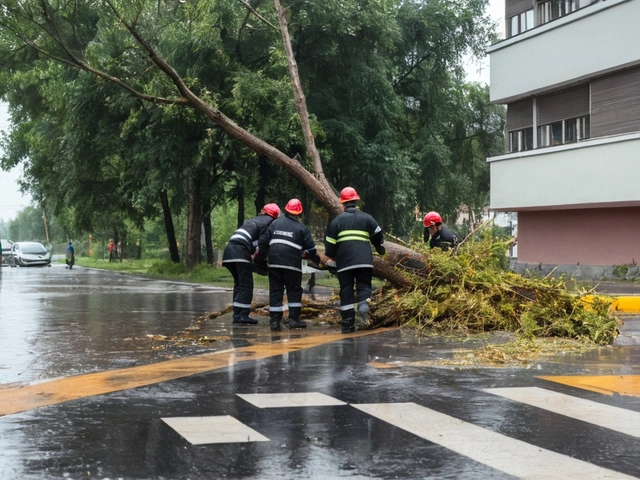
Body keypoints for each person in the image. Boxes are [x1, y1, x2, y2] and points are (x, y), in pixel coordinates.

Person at [324, 187, 385, 334]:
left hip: (344, 263)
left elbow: (329, 245)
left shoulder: (336, 222)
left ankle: (347, 324)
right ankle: (364, 305)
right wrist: (378, 246)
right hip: (364, 261)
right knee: (364, 286)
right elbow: (378, 234)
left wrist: (332, 258)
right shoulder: (367, 218)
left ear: (342, 203)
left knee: (346, 290)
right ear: (356, 201)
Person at [257, 198, 320, 331]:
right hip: (292, 266)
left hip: (274, 264)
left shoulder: (274, 224)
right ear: (299, 213)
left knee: (276, 291)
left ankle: (274, 320)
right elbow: (312, 250)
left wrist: (262, 258)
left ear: (286, 210)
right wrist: (311, 257)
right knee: (294, 291)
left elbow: (263, 241)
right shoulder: (302, 229)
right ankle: (293, 320)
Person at [222, 203, 281, 325]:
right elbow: (263, 243)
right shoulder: (269, 223)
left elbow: (254, 243)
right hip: (240, 252)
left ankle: (237, 314)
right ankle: (242, 315)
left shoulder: (252, 220)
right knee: (246, 285)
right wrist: (260, 260)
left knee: (239, 284)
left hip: (229, 251)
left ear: (263, 211)